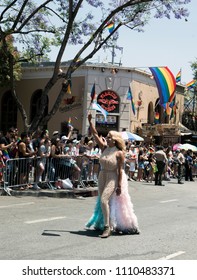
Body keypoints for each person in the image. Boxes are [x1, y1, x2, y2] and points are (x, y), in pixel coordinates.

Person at [86, 113, 140, 238]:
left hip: (112, 177)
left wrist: (119, 185)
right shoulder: (104, 148)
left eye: (109, 137)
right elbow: (95, 135)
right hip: (102, 175)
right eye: (107, 136)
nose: (106, 138)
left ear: (115, 139)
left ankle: (107, 228)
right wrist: (90, 121)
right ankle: (107, 223)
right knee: (102, 201)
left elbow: (120, 170)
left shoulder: (119, 153)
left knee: (105, 199)